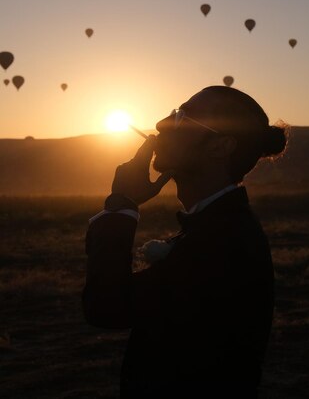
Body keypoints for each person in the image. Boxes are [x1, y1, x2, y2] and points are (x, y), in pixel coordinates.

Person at [83, 86, 287, 398]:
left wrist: (122, 204)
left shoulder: (222, 241)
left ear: (220, 146)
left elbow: (107, 307)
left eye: (182, 117)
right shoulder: (221, 226)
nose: (162, 123)